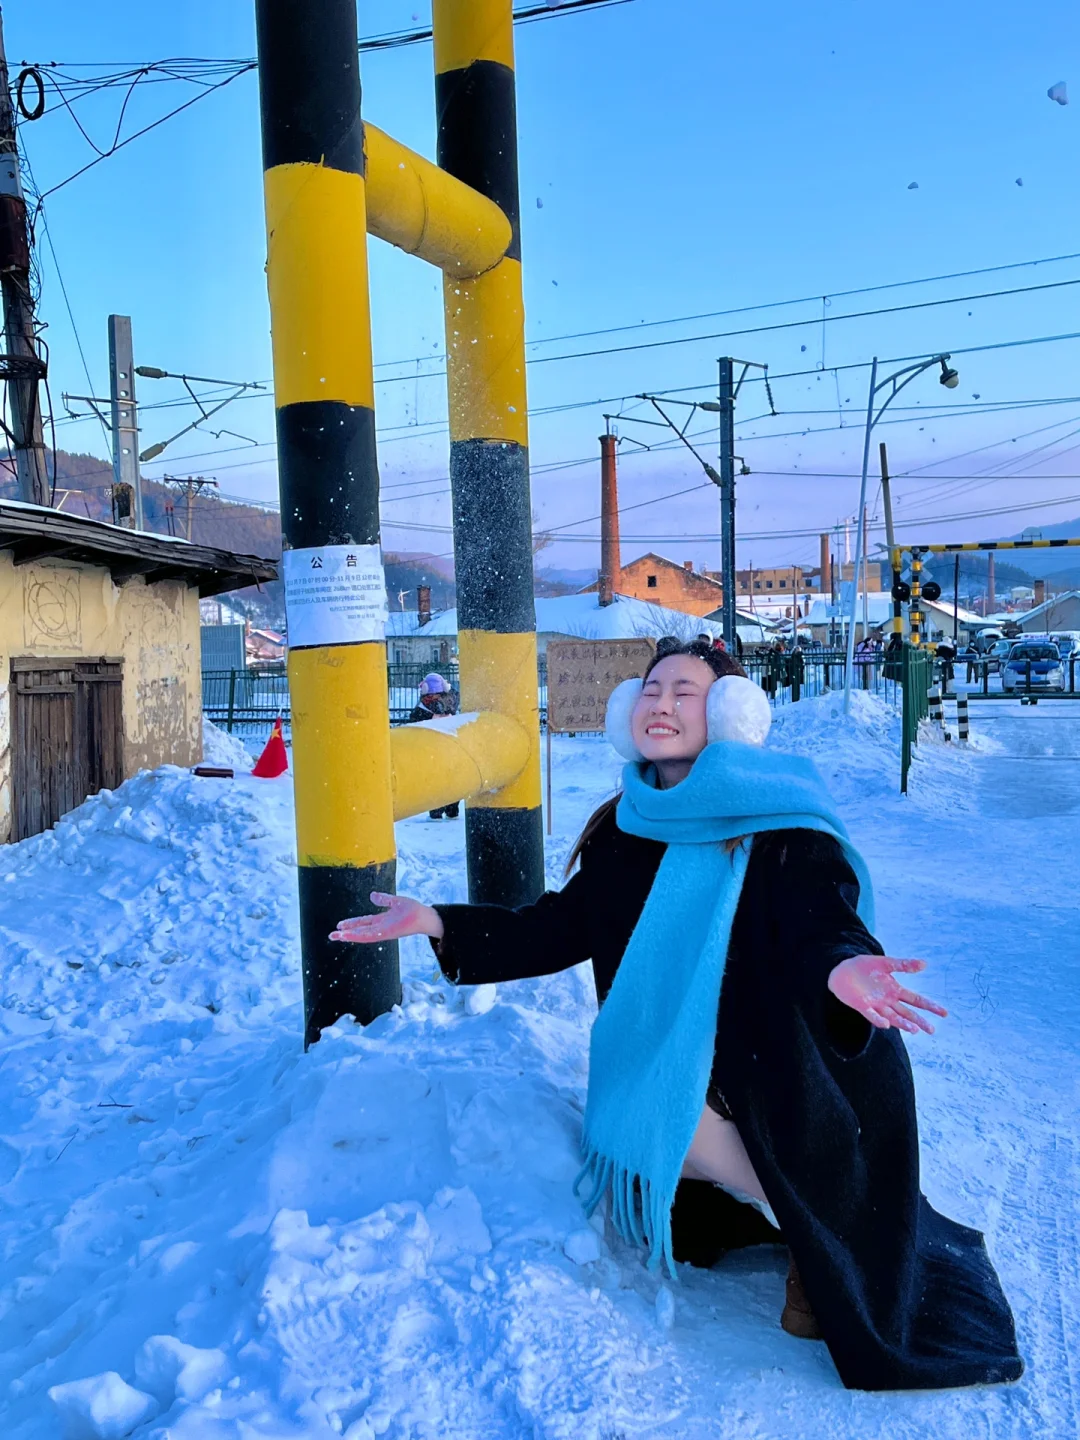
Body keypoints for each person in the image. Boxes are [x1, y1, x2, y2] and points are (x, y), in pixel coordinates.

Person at [331, 640, 1022, 1393]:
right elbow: (555, 928)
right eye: (651, 690)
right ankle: (775, 1202)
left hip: (784, 1058)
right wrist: (436, 922)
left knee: (714, 1127)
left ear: (728, 714)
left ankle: (816, 1237)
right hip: (679, 1056)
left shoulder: (777, 821)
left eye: (685, 692)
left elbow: (818, 916)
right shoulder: (625, 827)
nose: (661, 705)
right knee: (650, 1107)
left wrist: (844, 967)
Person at [406, 673, 461, 819]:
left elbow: (412, 726)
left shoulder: (421, 710)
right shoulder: (451, 701)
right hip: (450, 749)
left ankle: (438, 810)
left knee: (436, 781)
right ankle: (451, 808)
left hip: (432, 751)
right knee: (452, 780)